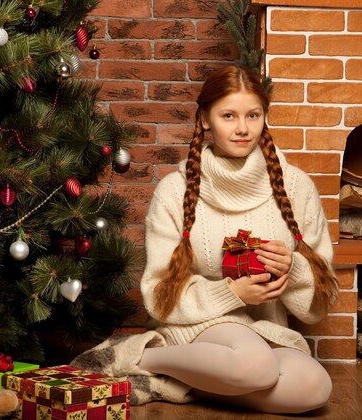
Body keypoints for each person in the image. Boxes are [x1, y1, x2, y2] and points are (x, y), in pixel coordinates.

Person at [71, 65, 339, 414]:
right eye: (228, 115)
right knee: (256, 366)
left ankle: (189, 381)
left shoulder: (296, 186)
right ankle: (143, 356)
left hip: (264, 331)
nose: (243, 128)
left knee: (314, 387)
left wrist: (295, 271)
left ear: (264, 118)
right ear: (204, 120)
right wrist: (231, 293)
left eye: (253, 115)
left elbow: (318, 308)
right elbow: (158, 298)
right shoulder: (175, 191)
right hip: (197, 328)